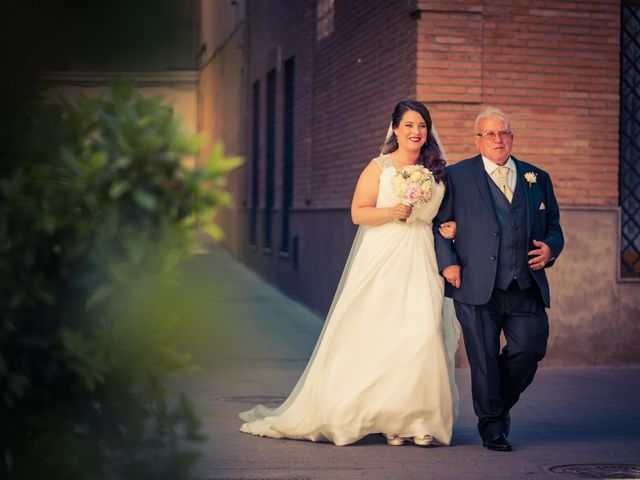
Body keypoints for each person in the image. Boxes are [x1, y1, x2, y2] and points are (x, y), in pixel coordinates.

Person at [239, 100, 461, 447]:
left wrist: (447, 229)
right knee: (379, 335)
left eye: (422, 126)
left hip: (421, 256)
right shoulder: (379, 166)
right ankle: (385, 419)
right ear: (396, 129)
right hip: (382, 255)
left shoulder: (437, 169)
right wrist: (392, 210)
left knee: (421, 333)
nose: (416, 132)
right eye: (409, 125)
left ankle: (416, 419)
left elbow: (441, 215)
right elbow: (358, 212)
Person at [433, 107, 564, 452]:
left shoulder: (538, 178)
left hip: (524, 285)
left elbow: (554, 227)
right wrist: (448, 264)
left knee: (530, 348)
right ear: (477, 140)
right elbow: (439, 226)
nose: (498, 139)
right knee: (483, 358)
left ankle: (496, 406)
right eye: (489, 134)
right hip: (475, 284)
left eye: (503, 133)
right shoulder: (457, 176)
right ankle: (492, 426)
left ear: (512, 138)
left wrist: (551, 248)